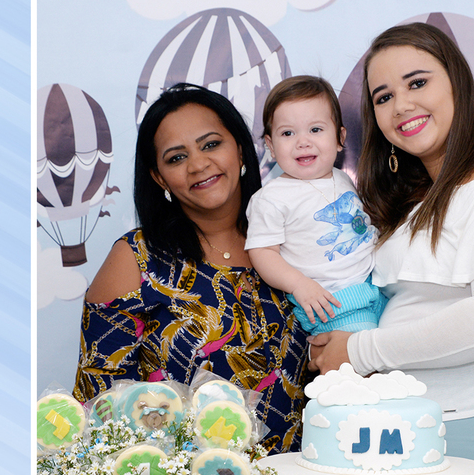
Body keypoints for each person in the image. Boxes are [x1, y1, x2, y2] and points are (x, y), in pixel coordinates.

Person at [308, 24, 474, 462]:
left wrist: (356, 351)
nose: (401, 105)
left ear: (457, 83)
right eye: (383, 97)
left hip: (471, 422)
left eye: (417, 83)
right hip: (392, 422)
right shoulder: (409, 194)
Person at [75, 85, 309, 451]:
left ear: (240, 149)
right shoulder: (137, 258)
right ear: (159, 177)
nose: (198, 164)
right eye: (176, 158)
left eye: (211, 144)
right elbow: (98, 408)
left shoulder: (298, 242)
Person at [245, 75, 386, 336]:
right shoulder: (271, 198)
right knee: (363, 356)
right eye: (287, 133)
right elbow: (262, 252)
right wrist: (299, 285)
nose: (303, 142)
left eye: (315, 130)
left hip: (376, 286)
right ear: (270, 146)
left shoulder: (341, 178)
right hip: (332, 303)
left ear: (340, 138)